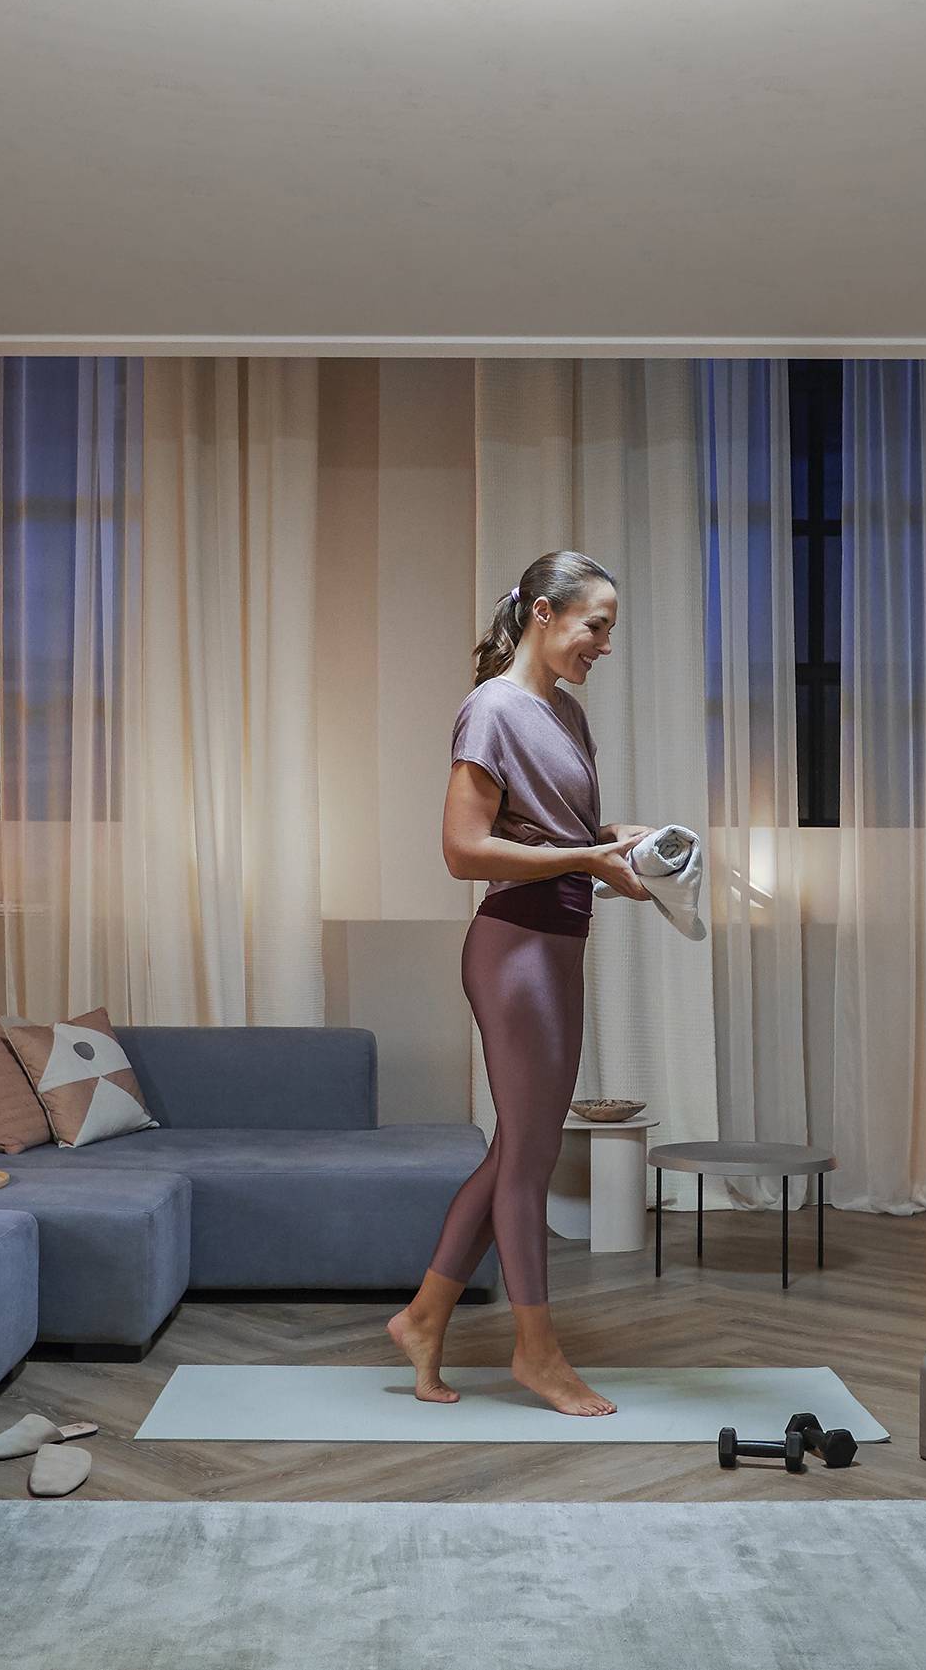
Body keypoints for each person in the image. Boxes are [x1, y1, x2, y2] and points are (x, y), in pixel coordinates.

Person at [386, 550, 651, 1416]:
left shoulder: (565, 714)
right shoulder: (491, 710)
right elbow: (463, 849)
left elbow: (548, 829)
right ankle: (537, 1353)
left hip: (557, 941)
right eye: (594, 625)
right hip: (514, 947)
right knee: (531, 1156)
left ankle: (424, 1318)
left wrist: (616, 837)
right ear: (543, 612)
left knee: (516, 1147)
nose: (603, 644)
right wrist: (586, 855)